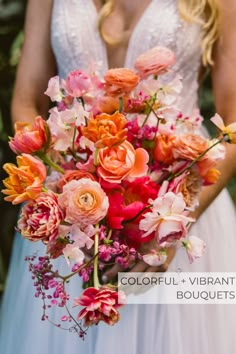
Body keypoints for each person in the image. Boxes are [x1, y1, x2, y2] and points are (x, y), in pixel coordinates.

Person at [1, 0, 236, 353]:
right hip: (68, 215)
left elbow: (233, 122)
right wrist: (66, 199)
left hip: (186, 209)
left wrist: (174, 221)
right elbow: (26, 101)